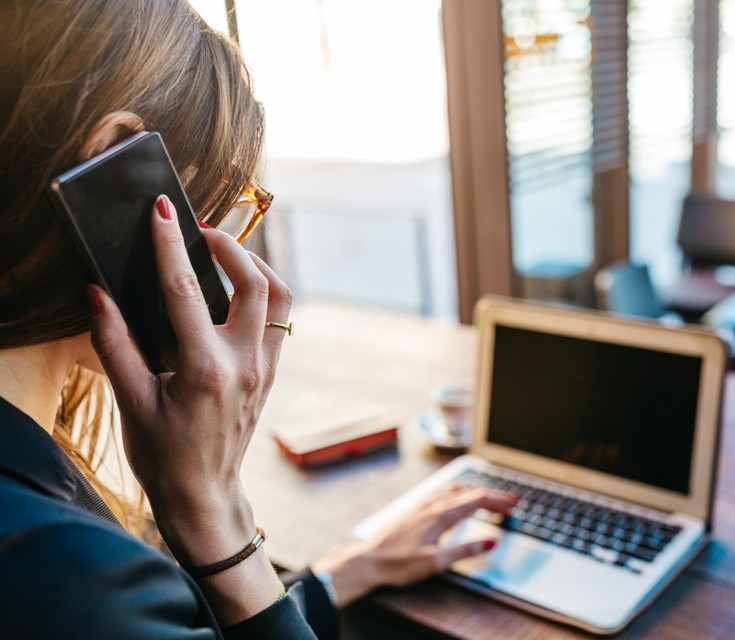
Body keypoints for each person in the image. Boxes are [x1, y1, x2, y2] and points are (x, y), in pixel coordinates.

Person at [0, 1, 515, 637]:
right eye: (227, 195)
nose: (232, 236)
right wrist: (216, 511)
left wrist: (343, 575)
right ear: (115, 169)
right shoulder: (70, 577)